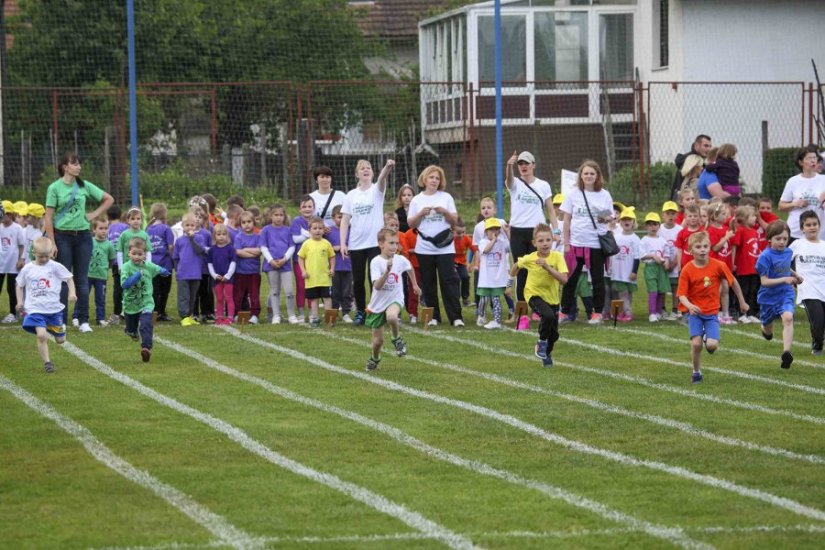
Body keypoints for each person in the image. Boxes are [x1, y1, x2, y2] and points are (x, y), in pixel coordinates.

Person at [43, 152, 114, 332]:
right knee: (65, 278)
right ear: (65, 167)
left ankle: (83, 321)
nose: (79, 167)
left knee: (82, 279)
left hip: (83, 237)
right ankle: (61, 320)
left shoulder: (83, 185)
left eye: (79, 163)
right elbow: (48, 218)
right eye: (75, 164)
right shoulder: (54, 188)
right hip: (62, 237)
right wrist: (52, 242)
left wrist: (93, 215)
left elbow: (109, 199)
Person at [677, 231, 749, 384]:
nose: (703, 249)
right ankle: (696, 372)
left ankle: (707, 338)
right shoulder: (687, 269)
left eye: (705, 246)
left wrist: (742, 302)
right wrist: (690, 305)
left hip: (711, 313)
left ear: (710, 247)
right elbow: (681, 294)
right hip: (695, 313)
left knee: (712, 345)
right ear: (691, 250)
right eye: (698, 247)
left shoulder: (719, 265)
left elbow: (734, 282)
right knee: (696, 344)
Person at [340, 159, 396, 325]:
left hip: (374, 243)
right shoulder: (351, 195)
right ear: (357, 174)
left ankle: (376, 310)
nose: (365, 170)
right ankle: (361, 312)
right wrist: (343, 243)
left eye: (368, 168)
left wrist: (387, 167)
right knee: (357, 281)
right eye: (362, 169)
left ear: (372, 172)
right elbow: (345, 219)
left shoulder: (376, 190)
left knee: (375, 279)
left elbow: (381, 179)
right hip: (357, 244)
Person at [559, 160, 614, 325]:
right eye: (586, 173)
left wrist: (605, 218)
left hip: (596, 244)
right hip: (576, 243)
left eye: (592, 173)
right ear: (581, 176)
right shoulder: (573, 193)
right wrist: (566, 243)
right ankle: (564, 311)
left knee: (597, 280)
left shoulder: (604, 194)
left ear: (597, 176)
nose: (589, 176)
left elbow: (610, 218)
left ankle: (597, 313)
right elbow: (566, 219)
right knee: (570, 280)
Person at [408, 164, 463, 327]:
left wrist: (444, 212)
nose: (434, 180)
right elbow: (411, 223)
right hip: (424, 247)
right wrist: (420, 214)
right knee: (428, 282)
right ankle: (433, 316)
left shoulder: (446, 197)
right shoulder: (417, 199)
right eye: (431, 177)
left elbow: (454, 220)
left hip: (445, 247)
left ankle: (456, 317)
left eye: (437, 178)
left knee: (449, 281)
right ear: (424, 179)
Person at [504, 150, 559, 302]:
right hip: (517, 232)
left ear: (533, 165)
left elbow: (551, 210)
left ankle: (537, 305)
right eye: (520, 163)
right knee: (521, 269)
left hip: (537, 233)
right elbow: (508, 180)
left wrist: (556, 231)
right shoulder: (514, 183)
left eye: (526, 163)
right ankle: (521, 308)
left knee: (538, 269)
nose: (523, 166)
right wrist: (509, 165)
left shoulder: (543, 185)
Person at [510, 223, 568, 367]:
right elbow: (516, 266)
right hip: (533, 294)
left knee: (554, 335)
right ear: (534, 243)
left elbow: (564, 279)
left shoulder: (557, 257)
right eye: (540, 241)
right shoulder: (530, 258)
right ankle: (541, 342)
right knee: (547, 315)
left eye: (548, 240)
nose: (545, 244)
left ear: (552, 241)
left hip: (553, 298)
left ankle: (546, 354)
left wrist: (547, 267)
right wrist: (509, 284)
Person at [15, 237, 75, 373]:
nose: (44, 259)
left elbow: (69, 278)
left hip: (54, 310)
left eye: (47, 256)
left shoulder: (55, 266)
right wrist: (20, 302)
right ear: (34, 252)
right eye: (41, 256)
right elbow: (19, 285)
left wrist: (72, 293)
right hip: (35, 309)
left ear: (51, 254)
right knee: (41, 335)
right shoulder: (28, 269)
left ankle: (55, 327)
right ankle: (47, 363)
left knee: (60, 340)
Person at [365, 228, 420, 371]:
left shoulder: (400, 259)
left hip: (395, 299)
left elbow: (409, 268)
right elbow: (377, 286)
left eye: (396, 243)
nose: (394, 246)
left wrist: (414, 284)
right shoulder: (375, 262)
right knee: (378, 341)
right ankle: (375, 358)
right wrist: (387, 272)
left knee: (392, 317)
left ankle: (396, 338)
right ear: (381, 244)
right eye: (391, 243)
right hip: (378, 304)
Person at [756, 220, 800, 370]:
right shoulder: (765, 257)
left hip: (785, 293)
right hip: (768, 297)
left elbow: (786, 268)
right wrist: (785, 278)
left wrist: (795, 275)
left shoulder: (788, 252)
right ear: (770, 239)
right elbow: (764, 282)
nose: (782, 242)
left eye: (785, 239)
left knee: (788, 317)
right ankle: (765, 328)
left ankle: (786, 353)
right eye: (778, 239)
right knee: (768, 330)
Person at [120, 238, 171, 362]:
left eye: (140, 254)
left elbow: (159, 270)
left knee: (146, 324)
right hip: (130, 304)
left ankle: (146, 348)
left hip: (146, 303)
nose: (137, 257)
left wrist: (165, 272)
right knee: (132, 331)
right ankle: (131, 331)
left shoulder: (148, 266)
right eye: (134, 254)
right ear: (129, 253)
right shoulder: (126, 267)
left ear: (145, 254)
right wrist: (137, 275)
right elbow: (125, 285)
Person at [471, 196, 513, 323]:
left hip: (502, 263)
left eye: (489, 207)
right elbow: (477, 247)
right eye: (483, 208)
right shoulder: (479, 227)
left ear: (495, 210)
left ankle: (512, 310)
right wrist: (475, 263)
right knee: (485, 292)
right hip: (487, 265)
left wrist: (508, 231)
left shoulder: (500, 222)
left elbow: (508, 243)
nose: (486, 210)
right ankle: (481, 313)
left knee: (505, 288)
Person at [789, 210, 825, 355]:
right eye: (808, 225)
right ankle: (817, 345)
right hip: (808, 289)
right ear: (802, 228)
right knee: (818, 320)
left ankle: (818, 341)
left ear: (819, 225)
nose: (812, 227)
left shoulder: (823, 245)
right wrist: (793, 276)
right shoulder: (798, 244)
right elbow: (782, 261)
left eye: (814, 224)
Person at [779, 146, 825, 243]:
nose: (813, 161)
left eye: (814, 157)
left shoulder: (823, 180)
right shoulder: (793, 181)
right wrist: (795, 204)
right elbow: (781, 207)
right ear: (801, 162)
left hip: (819, 233)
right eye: (809, 158)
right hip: (796, 233)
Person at [260, 203, 297, 324]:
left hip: (285, 265)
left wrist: (284, 259)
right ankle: (276, 315)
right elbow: (263, 247)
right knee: (274, 290)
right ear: (271, 216)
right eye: (276, 215)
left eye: (281, 215)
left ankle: (291, 315)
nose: (278, 217)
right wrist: (271, 260)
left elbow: (292, 246)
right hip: (271, 265)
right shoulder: (265, 230)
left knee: (289, 291)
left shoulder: (288, 230)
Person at [297, 217, 336, 327]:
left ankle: (329, 318)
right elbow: (300, 258)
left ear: (324, 230)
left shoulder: (326, 243)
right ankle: (315, 318)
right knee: (314, 299)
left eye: (320, 228)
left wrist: (332, 269)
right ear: (309, 230)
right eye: (315, 228)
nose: (318, 230)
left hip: (324, 278)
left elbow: (332, 257)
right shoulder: (306, 244)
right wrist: (303, 271)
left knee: (327, 298)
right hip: (311, 278)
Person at [173, 212, 207, 326]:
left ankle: (190, 314)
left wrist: (192, 239)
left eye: (192, 225)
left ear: (195, 226)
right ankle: (184, 316)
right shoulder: (179, 241)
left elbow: (200, 251)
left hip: (195, 273)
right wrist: (177, 270)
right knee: (184, 296)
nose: (190, 228)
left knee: (193, 296)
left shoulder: (200, 238)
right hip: (183, 274)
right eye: (187, 225)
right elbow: (176, 257)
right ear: (182, 226)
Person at [476, 218, 511, 329]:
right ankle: (481, 315)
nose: (494, 232)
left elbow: (512, 246)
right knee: (484, 299)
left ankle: (497, 320)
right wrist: (493, 241)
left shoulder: (502, 243)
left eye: (496, 229)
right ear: (486, 232)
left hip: (497, 279)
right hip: (486, 279)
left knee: (495, 299)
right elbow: (485, 250)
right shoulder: (483, 242)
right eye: (491, 229)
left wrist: (507, 232)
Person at [730, 205, 761, 323]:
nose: (755, 218)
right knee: (744, 290)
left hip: (754, 268)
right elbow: (734, 247)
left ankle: (751, 312)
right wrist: (732, 262)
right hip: (743, 268)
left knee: (754, 290)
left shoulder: (754, 232)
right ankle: (741, 312)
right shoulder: (740, 231)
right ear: (744, 218)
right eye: (753, 216)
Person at [706, 202, 735, 324]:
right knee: (716, 290)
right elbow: (715, 248)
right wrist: (726, 237)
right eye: (723, 214)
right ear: (714, 216)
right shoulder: (711, 230)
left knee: (725, 290)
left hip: (725, 264)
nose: (726, 216)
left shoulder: (726, 229)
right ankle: (715, 313)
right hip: (715, 265)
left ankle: (725, 314)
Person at [611, 207, 641, 321]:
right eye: (624, 219)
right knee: (621, 292)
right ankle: (622, 312)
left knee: (627, 293)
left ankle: (625, 312)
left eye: (629, 219)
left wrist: (634, 271)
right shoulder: (616, 237)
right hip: (617, 271)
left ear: (634, 222)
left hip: (628, 271)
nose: (626, 222)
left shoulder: (635, 239)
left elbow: (636, 257)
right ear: (620, 222)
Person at [146, 203, 175, 322]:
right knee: (165, 290)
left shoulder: (148, 229)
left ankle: (154, 312)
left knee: (154, 290)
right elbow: (171, 246)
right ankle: (161, 312)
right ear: (164, 214)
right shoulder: (166, 228)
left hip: (152, 265)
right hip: (165, 265)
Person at [639, 212, 669, 322]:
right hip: (650, 267)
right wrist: (652, 256)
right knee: (653, 290)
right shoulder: (644, 240)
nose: (653, 227)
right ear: (646, 226)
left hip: (660, 268)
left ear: (659, 226)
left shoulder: (662, 240)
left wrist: (666, 261)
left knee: (661, 290)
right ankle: (652, 313)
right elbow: (641, 256)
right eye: (650, 224)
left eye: (655, 224)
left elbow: (666, 252)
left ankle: (658, 312)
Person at [233, 211, 262, 324]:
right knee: (239, 295)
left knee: (254, 294)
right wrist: (250, 252)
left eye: (249, 222)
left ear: (253, 222)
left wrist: (245, 249)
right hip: (240, 272)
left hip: (254, 272)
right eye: (244, 222)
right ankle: (237, 314)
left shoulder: (258, 237)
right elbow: (238, 253)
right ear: (240, 224)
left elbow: (259, 251)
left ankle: (255, 314)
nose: (247, 224)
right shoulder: (238, 237)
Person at [291, 195, 316, 322]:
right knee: (301, 286)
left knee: (312, 286)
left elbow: (320, 236)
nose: (307, 209)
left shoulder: (317, 220)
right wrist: (311, 235)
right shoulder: (296, 221)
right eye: (304, 206)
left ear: (314, 208)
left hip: (315, 260)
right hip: (299, 259)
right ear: (300, 209)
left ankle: (312, 311)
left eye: (310, 206)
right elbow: (295, 239)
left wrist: (304, 233)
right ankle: (301, 312)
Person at [328, 205, 354, 323]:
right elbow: (324, 246)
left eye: (344, 217)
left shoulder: (352, 230)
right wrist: (334, 248)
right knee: (334, 291)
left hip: (348, 266)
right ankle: (333, 313)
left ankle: (346, 313)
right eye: (339, 217)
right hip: (334, 267)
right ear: (333, 218)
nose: (342, 220)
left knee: (347, 291)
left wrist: (348, 247)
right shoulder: (328, 232)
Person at [207, 223, 237, 326]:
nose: (221, 236)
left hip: (228, 278)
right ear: (214, 236)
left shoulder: (230, 249)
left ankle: (230, 317)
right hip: (217, 278)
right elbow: (209, 264)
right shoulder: (212, 250)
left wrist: (228, 275)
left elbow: (233, 263)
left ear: (227, 236)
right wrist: (214, 275)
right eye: (219, 234)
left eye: (224, 234)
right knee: (219, 298)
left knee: (229, 297)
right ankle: (219, 317)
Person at [0, 201, 25, 322]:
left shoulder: (17, 228)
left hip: (13, 265)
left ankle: (13, 313)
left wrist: (21, 259)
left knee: (11, 289)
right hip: (1, 264)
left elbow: (22, 245)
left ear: (9, 214)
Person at [88, 218, 115, 327]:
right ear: (94, 230)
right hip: (88, 275)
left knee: (100, 298)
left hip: (101, 277)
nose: (104, 231)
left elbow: (111, 260)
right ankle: (78, 316)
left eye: (106, 228)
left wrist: (104, 269)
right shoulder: (89, 242)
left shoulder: (109, 245)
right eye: (101, 228)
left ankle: (100, 318)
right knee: (83, 296)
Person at [659, 200, 683, 320]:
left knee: (675, 287)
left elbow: (681, 247)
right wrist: (664, 261)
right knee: (662, 287)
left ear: (677, 215)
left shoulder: (680, 229)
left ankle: (675, 308)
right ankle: (662, 308)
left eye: (673, 213)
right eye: (668, 213)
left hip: (675, 262)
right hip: (662, 263)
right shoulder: (659, 229)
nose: (670, 216)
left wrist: (674, 263)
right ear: (663, 215)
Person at [670, 134, 712, 200]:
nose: (709, 149)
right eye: (706, 146)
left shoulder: (702, 162)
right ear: (696, 146)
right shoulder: (691, 161)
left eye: (710, 146)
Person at [116, 207, 152, 275]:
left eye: (138, 218)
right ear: (128, 220)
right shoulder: (124, 234)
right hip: (127, 268)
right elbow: (119, 251)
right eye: (133, 219)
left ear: (141, 220)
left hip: (141, 268)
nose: (136, 221)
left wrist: (148, 267)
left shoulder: (144, 235)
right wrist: (120, 267)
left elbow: (148, 252)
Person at [107, 205, 127, 324]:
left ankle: (117, 312)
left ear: (108, 217)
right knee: (128, 286)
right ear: (120, 215)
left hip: (114, 262)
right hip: (126, 261)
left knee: (117, 288)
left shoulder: (107, 228)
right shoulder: (125, 227)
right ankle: (127, 311)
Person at [452, 218, 476, 308]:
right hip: (451, 262)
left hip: (462, 263)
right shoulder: (449, 239)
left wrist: (472, 263)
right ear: (452, 231)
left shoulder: (466, 238)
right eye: (458, 233)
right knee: (456, 279)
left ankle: (465, 299)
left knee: (465, 277)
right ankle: (455, 300)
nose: (461, 235)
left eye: (463, 232)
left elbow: (475, 250)